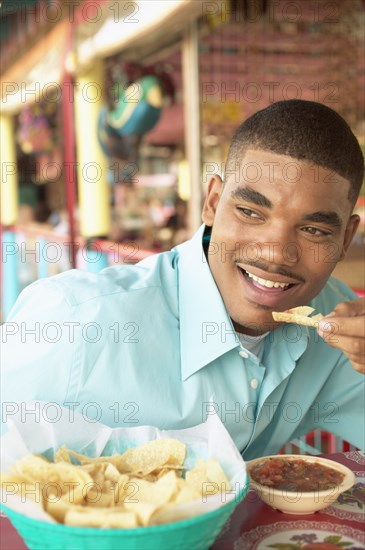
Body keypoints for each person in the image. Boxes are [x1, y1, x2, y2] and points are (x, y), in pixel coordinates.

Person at [1, 100, 364, 458]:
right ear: (213, 202)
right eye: (251, 212)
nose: (276, 253)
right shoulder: (73, 322)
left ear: (345, 238)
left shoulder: (340, 332)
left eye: (314, 230)